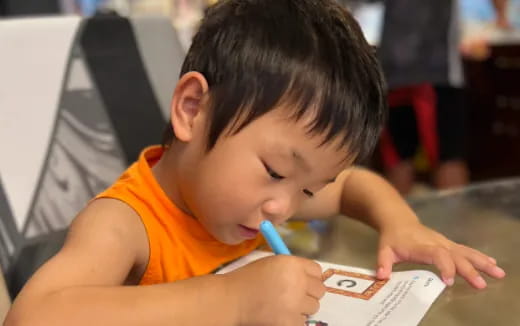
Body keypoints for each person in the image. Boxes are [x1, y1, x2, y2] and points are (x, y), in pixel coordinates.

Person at [5, 1, 505, 325]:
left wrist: (401, 223)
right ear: (192, 109)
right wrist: (231, 302)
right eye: (275, 171)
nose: (284, 208)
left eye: (308, 191)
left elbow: (352, 185)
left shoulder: (264, 199)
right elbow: (32, 316)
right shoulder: (126, 224)